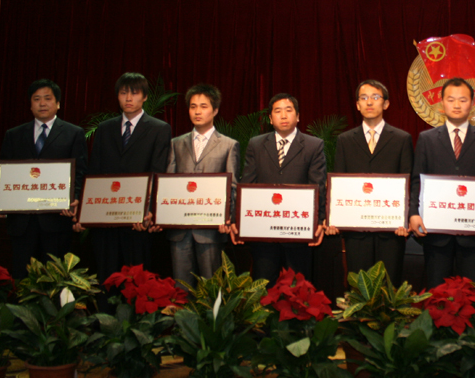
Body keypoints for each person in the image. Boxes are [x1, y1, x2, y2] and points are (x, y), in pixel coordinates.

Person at [409, 77, 475, 289]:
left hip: (474, 234)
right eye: (451, 99)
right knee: (436, 291)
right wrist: (413, 213)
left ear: (472, 103)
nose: (457, 105)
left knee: (473, 292)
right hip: (436, 233)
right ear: (442, 103)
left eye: (463, 100)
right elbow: (417, 180)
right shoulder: (427, 139)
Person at [0, 79, 87, 279]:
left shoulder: (73, 133)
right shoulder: (14, 135)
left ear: (58, 103)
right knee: (22, 278)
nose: (42, 103)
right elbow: (2, 172)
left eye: (47, 98)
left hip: (57, 220)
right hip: (22, 223)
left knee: (55, 280)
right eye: (36, 99)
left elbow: (80, 171)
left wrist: (75, 198)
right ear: (30, 104)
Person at [85, 73, 171, 288]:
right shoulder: (104, 129)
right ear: (117, 96)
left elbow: (158, 173)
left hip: (137, 221)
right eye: (123, 93)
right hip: (106, 220)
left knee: (137, 282)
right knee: (106, 280)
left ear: (145, 97)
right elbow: (95, 171)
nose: (129, 98)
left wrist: (148, 211)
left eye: (134, 93)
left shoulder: (159, 128)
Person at [151, 84, 240, 287]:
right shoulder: (176, 143)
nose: (197, 111)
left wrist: (229, 218)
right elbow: (168, 183)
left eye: (203, 106)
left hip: (211, 230)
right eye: (193, 107)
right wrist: (160, 214)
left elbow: (233, 187)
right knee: (181, 288)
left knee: (212, 288)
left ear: (215, 110)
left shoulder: (228, 145)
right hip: (179, 230)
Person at [328, 79, 414, 286]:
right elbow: (339, 182)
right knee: (360, 287)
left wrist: (406, 218)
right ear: (357, 105)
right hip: (356, 230)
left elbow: (409, 181)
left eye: (375, 97)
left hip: (392, 230)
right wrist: (333, 216)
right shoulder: (345, 140)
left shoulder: (402, 139)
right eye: (364, 98)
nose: (369, 102)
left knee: (389, 285)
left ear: (386, 104)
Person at [238, 93, 327, 283]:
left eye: (288, 110)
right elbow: (248, 183)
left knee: (297, 288)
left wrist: (319, 220)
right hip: (263, 232)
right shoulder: (256, 144)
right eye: (278, 111)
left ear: (298, 116)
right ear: (270, 119)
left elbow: (318, 186)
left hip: (298, 231)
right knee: (263, 286)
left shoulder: (313, 145)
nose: (284, 115)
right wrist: (239, 219)